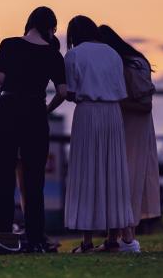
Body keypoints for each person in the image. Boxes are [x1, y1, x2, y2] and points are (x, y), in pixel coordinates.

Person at [0, 6, 67, 252]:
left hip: (8, 110)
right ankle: (35, 238)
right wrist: (47, 109)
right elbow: (63, 91)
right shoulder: (53, 54)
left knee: (4, 176)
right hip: (35, 111)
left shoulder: (10, 44)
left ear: (29, 24)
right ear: (50, 28)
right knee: (34, 179)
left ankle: (3, 238)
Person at [63, 15, 134, 253]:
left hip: (87, 113)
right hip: (113, 114)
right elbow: (120, 89)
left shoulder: (73, 55)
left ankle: (86, 241)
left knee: (86, 172)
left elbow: (70, 92)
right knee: (113, 172)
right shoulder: (113, 54)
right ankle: (113, 238)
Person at [99, 25, 161, 253]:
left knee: (124, 179)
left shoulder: (128, 66)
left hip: (130, 127)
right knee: (129, 179)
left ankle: (127, 238)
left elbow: (145, 105)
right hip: (136, 128)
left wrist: (114, 100)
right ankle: (116, 238)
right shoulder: (137, 62)